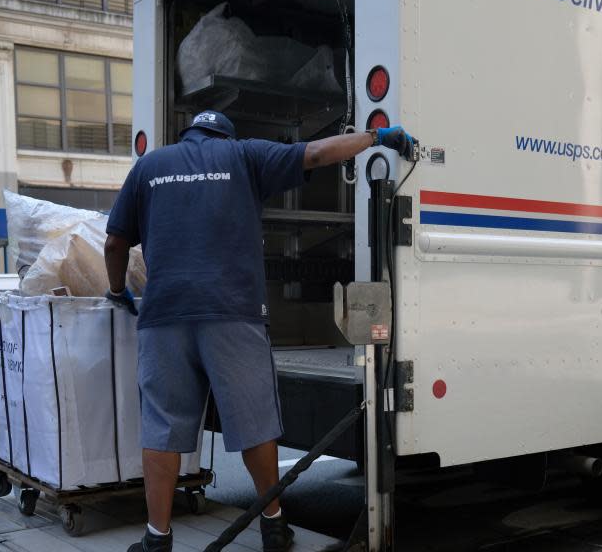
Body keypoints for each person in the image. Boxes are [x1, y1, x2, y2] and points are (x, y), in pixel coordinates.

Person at [105, 110, 414, 552]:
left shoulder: (150, 166)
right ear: (224, 135)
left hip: (164, 316)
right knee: (254, 424)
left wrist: (118, 291)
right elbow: (318, 153)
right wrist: (375, 136)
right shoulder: (245, 156)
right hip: (233, 312)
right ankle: (273, 527)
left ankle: (157, 539)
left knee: (163, 427)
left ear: (188, 133)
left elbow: (115, 243)